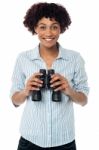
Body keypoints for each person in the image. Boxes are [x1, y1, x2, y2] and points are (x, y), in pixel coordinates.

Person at [10, 2, 89, 150]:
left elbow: (84, 100)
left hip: (64, 141)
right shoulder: (23, 58)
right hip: (30, 140)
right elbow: (15, 101)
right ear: (35, 28)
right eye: (42, 27)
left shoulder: (74, 58)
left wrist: (69, 90)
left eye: (54, 26)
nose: (48, 33)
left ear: (61, 29)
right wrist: (26, 91)